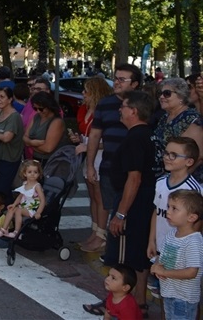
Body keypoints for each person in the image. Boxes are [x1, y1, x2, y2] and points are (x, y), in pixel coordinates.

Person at [85, 90, 155, 317]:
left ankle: (118, 303)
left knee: (124, 259)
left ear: (133, 111)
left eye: (123, 107)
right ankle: (138, 303)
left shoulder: (136, 137)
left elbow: (134, 179)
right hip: (139, 202)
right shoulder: (147, 134)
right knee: (137, 257)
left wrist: (121, 214)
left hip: (132, 204)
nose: (119, 110)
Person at [85, 64, 143, 264]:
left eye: (122, 79)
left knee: (129, 211)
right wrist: (90, 165)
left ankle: (123, 253)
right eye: (115, 78)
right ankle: (104, 240)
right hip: (109, 166)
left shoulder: (144, 104)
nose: (116, 82)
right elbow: (95, 135)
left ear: (135, 84)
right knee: (106, 204)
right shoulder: (105, 103)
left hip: (134, 169)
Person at [147, 137, 201, 301]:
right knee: (165, 293)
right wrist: (151, 240)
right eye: (166, 153)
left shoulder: (193, 190)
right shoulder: (160, 182)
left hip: (179, 251)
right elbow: (157, 211)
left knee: (182, 296)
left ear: (189, 162)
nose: (167, 157)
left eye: (174, 155)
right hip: (161, 246)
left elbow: (197, 224)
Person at [71, 76, 115, 253]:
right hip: (88, 154)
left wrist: (88, 145)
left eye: (86, 91)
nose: (83, 94)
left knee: (100, 195)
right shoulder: (84, 109)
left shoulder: (105, 112)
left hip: (100, 155)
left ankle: (101, 234)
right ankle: (95, 230)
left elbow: (110, 140)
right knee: (92, 194)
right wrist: (79, 139)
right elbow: (87, 133)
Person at [152, 190, 203, 320]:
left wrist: (164, 272)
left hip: (183, 299)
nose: (168, 211)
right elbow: (162, 257)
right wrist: (157, 265)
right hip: (169, 293)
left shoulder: (193, 241)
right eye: (168, 206)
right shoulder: (171, 234)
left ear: (191, 217)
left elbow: (192, 272)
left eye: (174, 208)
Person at [150, 78, 203, 180]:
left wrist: (178, 179)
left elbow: (199, 156)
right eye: (160, 93)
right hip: (165, 177)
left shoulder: (191, 118)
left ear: (181, 97)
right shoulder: (164, 117)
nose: (161, 97)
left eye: (167, 93)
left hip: (186, 181)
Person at [0, 87, 25, 202]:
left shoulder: (14, 116)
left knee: (2, 190)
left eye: (2, 97)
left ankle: (7, 210)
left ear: (10, 99)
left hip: (9, 159)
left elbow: (6, 137)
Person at [0, 160, 46, 238]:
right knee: (11, 209)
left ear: (39, 174)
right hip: (23, 206)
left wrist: (38, 212)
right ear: (25, 173)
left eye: (35, 172)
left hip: (32, 209)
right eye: (30, 172)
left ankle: (16, 232)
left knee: (18, 210)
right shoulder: (25, 183)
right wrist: (14, 204)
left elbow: (43, 200)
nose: (32, 174)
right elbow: (20, 196)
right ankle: (4, 229)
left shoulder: (37, 186)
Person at [23, 91, 71, 164]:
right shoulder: (36, 117)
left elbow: (48, 149)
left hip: (50, 162)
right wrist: (32, 142)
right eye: (35, 108)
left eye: (41, 109)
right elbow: (24, 137)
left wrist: (29, 143)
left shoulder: (56, 122)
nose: (38, 111)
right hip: (36, 158)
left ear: (49, 106)